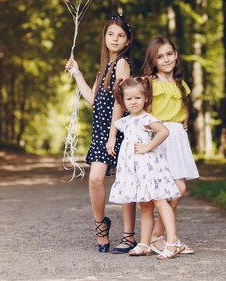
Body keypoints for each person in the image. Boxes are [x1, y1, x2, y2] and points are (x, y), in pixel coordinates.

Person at [65, 15, 137, 253]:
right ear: (104, 38)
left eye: (120, 35)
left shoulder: (122, 64)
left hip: (117, 131)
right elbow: (93, 99)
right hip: (100, 132)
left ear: (127, 41)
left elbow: (120, 100)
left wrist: (113, 135)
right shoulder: (104, 67)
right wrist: (77, 73)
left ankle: (129, 236)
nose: (114, 39)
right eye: (110, 34)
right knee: (95, 179)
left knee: (124, 181)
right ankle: (101, 227)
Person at [110, 76, 186, 259]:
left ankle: (172, 241)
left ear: (145, 98)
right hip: (136, 171)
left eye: (138, 98)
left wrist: (147, 147)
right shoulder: (126, 121)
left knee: (159, 201)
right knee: (144, 205)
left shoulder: (146, 118)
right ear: (123, 101)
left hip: (150, 168)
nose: (134, 102)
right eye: (129, 99)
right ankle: (144, 244)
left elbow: (164, 132)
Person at [141, 37, 199, 255]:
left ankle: (159, 234)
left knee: (179, 189)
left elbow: (182, 109)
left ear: (176, 55)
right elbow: (140, 111)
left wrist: (182, 121)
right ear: (153, 60)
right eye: (160, 56)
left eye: (169, 54)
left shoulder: (181, 84)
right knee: (160, 190)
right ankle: (159, 237)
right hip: (157, 138)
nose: (166, 59)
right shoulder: (148, 83)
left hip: (176, 139)